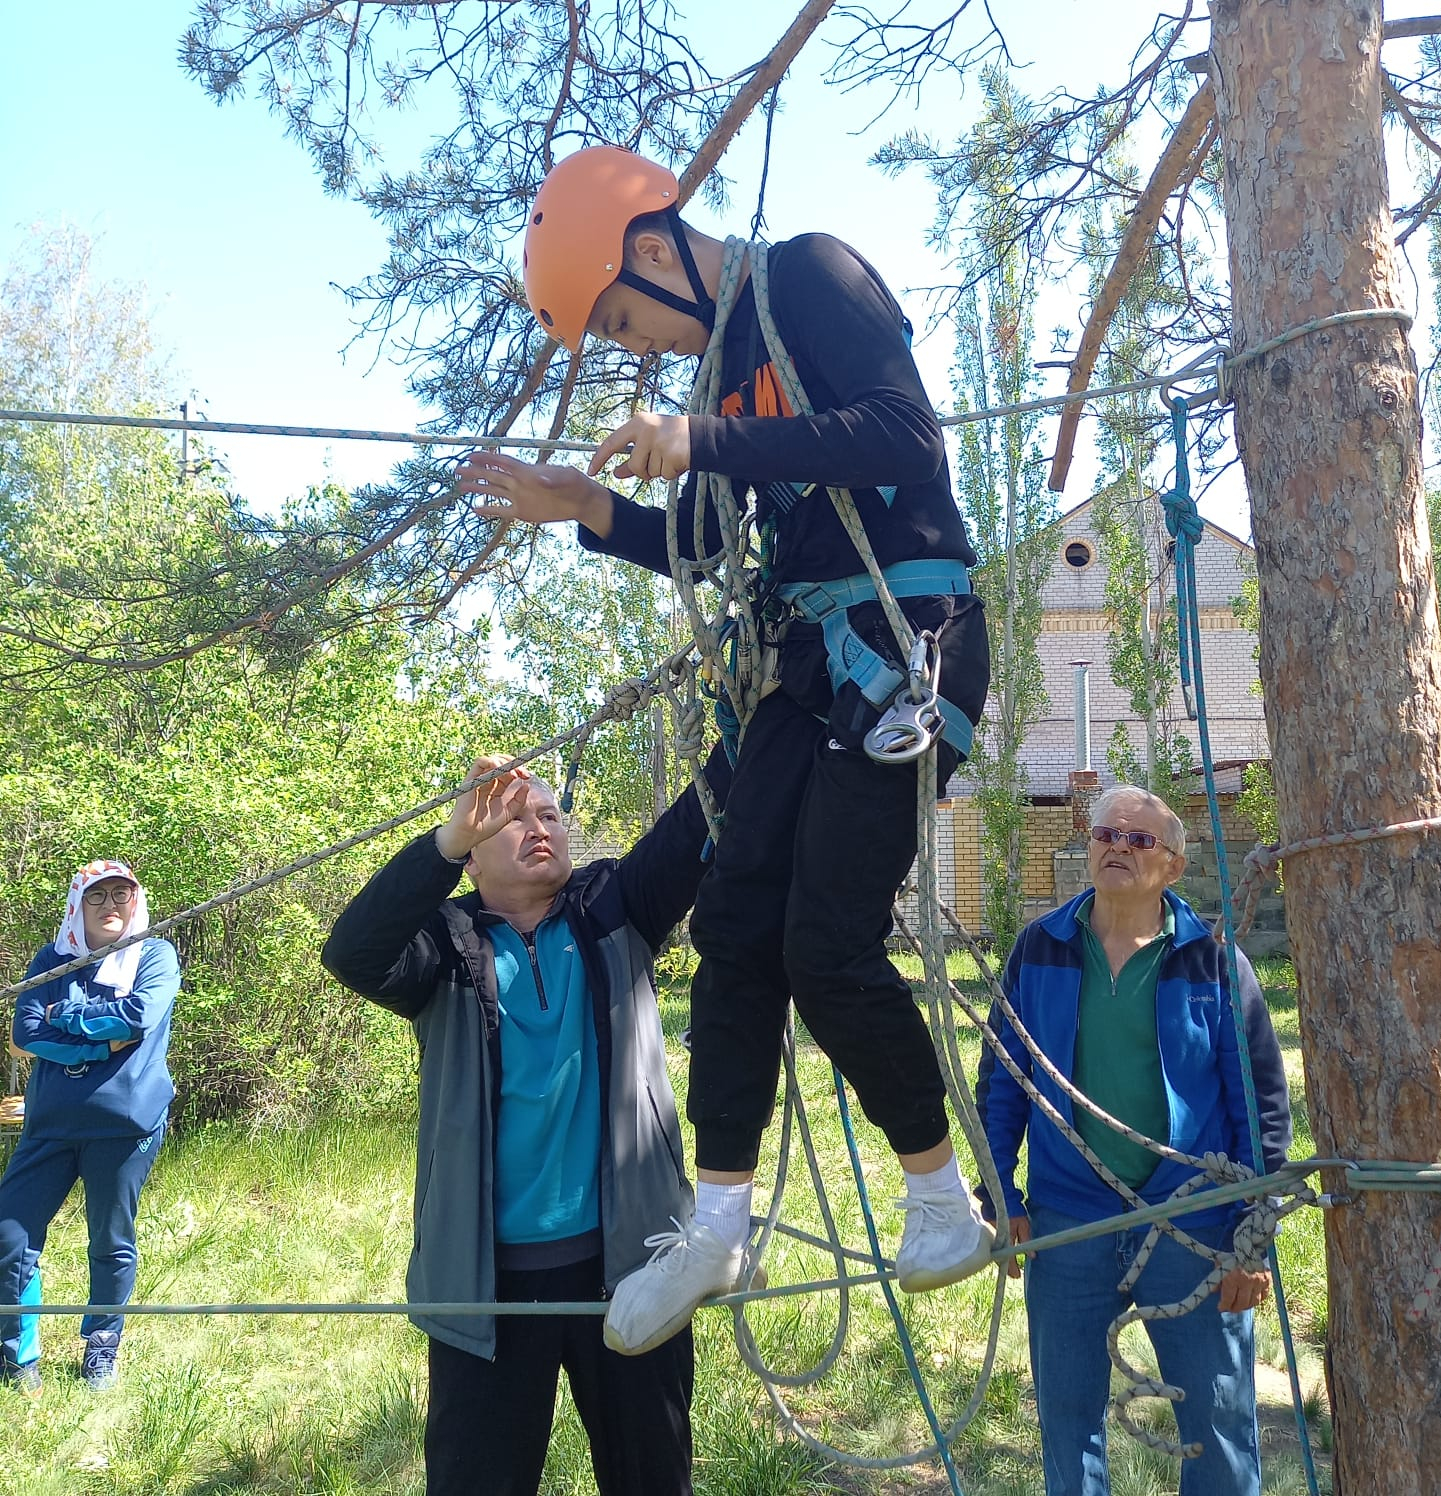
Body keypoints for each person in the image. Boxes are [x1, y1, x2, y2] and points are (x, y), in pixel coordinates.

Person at [454, 144, 995, 1358]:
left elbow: (904, 434)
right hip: (801, 667)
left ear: (653, 250)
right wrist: (585, 509)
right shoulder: (720, 366)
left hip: (904, 636)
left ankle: (938, 1200)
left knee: (823, 937)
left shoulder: (808, 276)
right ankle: (714, 1221)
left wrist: (700, 436)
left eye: (625, 316)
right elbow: (705, 549)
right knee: (737, 924)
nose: (636, 343)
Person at [321, 749, 730, 1496]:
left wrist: (754, 703)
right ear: (471, 859)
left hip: (635, 1269)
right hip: (488, 1289)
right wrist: (439, 844)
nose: (538, 827)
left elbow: (698, 818)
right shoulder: (439, 946)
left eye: (548, 814)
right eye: (512, 817)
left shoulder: (617, 906)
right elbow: (350, 952)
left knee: (654, 1482)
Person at [975, 785, 1292, 1496]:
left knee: (1217, 1428)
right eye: (1105, 833)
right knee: (1067, 1421)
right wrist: (1000, 1194)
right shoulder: (1039, 949)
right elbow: (1002, 1083)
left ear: (1174, 866)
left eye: (1140, 839)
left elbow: (1261, 1110)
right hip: (1067, 1219)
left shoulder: (1215, 962)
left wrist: (1253, 1235)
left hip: (1196, 1227)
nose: (1117, 845)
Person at [1, 859, 180, 1395]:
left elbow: (139, 1017)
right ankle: (17, 1356)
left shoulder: (155, 954)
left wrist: (65, 1016)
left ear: (135, 901)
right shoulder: (51, 959)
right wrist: (98, 1039)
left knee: (109, 1240)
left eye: (120, 895)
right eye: (96, 898)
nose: (109, 907)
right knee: (9, 1238)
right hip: (50, 1126)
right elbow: (26, 1032)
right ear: (78, 905)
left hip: (124, 1127)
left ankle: (101, 1347)